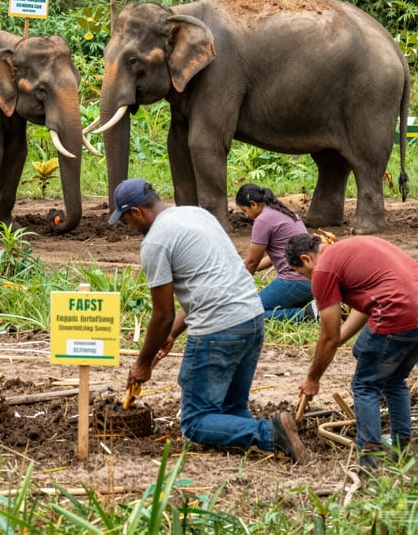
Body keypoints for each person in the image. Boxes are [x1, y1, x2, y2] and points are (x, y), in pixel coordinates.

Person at [110, 178, 306, 463]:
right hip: (251, 317)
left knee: (195, 421)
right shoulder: (196, 214)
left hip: (219, 329)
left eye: (126, 220)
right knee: (231, 407)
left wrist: (142, 364)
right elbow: (208, 286)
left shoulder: (155, 242)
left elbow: (162, 314)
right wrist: (172, 336)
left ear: (137, 212)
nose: (128, 227)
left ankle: (271, 433)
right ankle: (257, 438)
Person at [286, 232, 418, 468]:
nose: (307, 279)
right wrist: (336, 342)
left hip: (396, 312)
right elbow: (365, 308)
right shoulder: (349, 248)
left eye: (301, 274)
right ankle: (401, 445)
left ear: (306, 259)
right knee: (393, 377)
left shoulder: (323, 271)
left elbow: (328, 335)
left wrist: (313, 378)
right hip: (412, 311)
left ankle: (369, 457)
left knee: (365, 384)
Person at [235, 184, 315, 322]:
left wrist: (234, 284)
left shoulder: (263, 220)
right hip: (311, 281)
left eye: (244, 210)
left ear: (253, 204)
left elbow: (252, 263)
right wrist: (241, 266)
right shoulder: (284, 212)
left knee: (247, 313)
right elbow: (272, 258)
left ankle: (307, 315)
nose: (246, 215)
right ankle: (311, 308)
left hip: (294, 281)